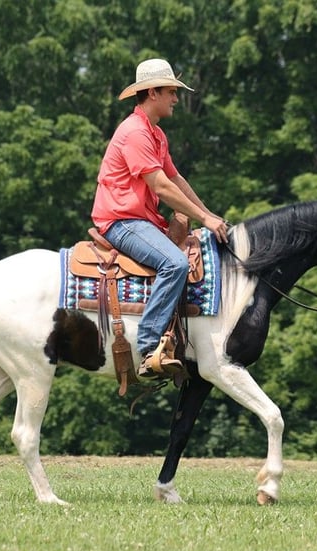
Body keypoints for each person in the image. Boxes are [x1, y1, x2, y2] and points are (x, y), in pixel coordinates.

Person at [91, 58, 229, 380]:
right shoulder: (135, 133)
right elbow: (161, 186)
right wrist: (206, 221)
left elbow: (176, 179)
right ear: (152, 93)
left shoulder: (156, 134)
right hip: (121, 222)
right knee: (176, 264)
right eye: (171, 92)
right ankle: (149, 346)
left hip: (140, 220)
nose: (176, 99)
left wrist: (208, 215)